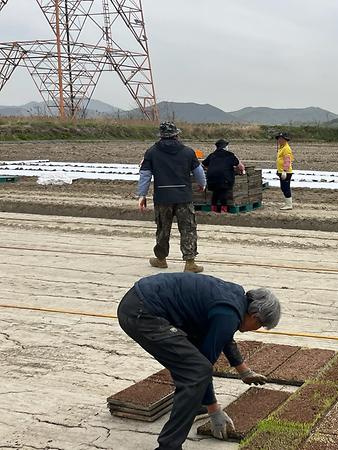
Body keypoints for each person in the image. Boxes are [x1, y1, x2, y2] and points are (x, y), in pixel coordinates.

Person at [117, 272, 281, 450]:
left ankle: (194, 405)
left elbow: (224, 335)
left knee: (191, 363)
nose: (255, 330)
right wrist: (214, 409)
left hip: (140, 301)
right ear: (255, 317)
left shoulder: (234, 298)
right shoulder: (228, 314)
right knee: (196, 371)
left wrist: (243, 370)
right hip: (143, 314)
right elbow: (204, 366)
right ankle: (169, 446)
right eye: (260, 326)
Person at [138, 122, 206, 273]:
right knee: (188, 229)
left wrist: (142, 195)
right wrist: (203, 184)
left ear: (161, 136)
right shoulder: (188, 152)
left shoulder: (152, 152)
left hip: (162, 197)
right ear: (177, 135)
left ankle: (161, 259)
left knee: (163, 229)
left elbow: (145, 175)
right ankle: (190, 263)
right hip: (184, 197)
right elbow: (199, 172)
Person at [202, 139, 245, 213]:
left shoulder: (212, 155)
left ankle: (213, 210)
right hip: (225, 178)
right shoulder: (230, 155)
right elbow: (240, 167)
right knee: (223, 193)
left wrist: (211, 168)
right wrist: (240, 171)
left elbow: (203, 165)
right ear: (225, 147)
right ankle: (223, 210)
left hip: (211, 178)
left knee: (215, 193)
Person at [275, 132, 294, 211]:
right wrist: (279, 170)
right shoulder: (281, 147)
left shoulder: (286, 148)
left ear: (285, 139)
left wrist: (284, 171)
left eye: (281, 139)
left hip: (286, 172)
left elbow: (287, 160)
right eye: (279, 138)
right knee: (283, 187)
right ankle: (287, 203)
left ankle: (289, 204)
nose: (280, 140)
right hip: (281, 171)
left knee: (285, 187)